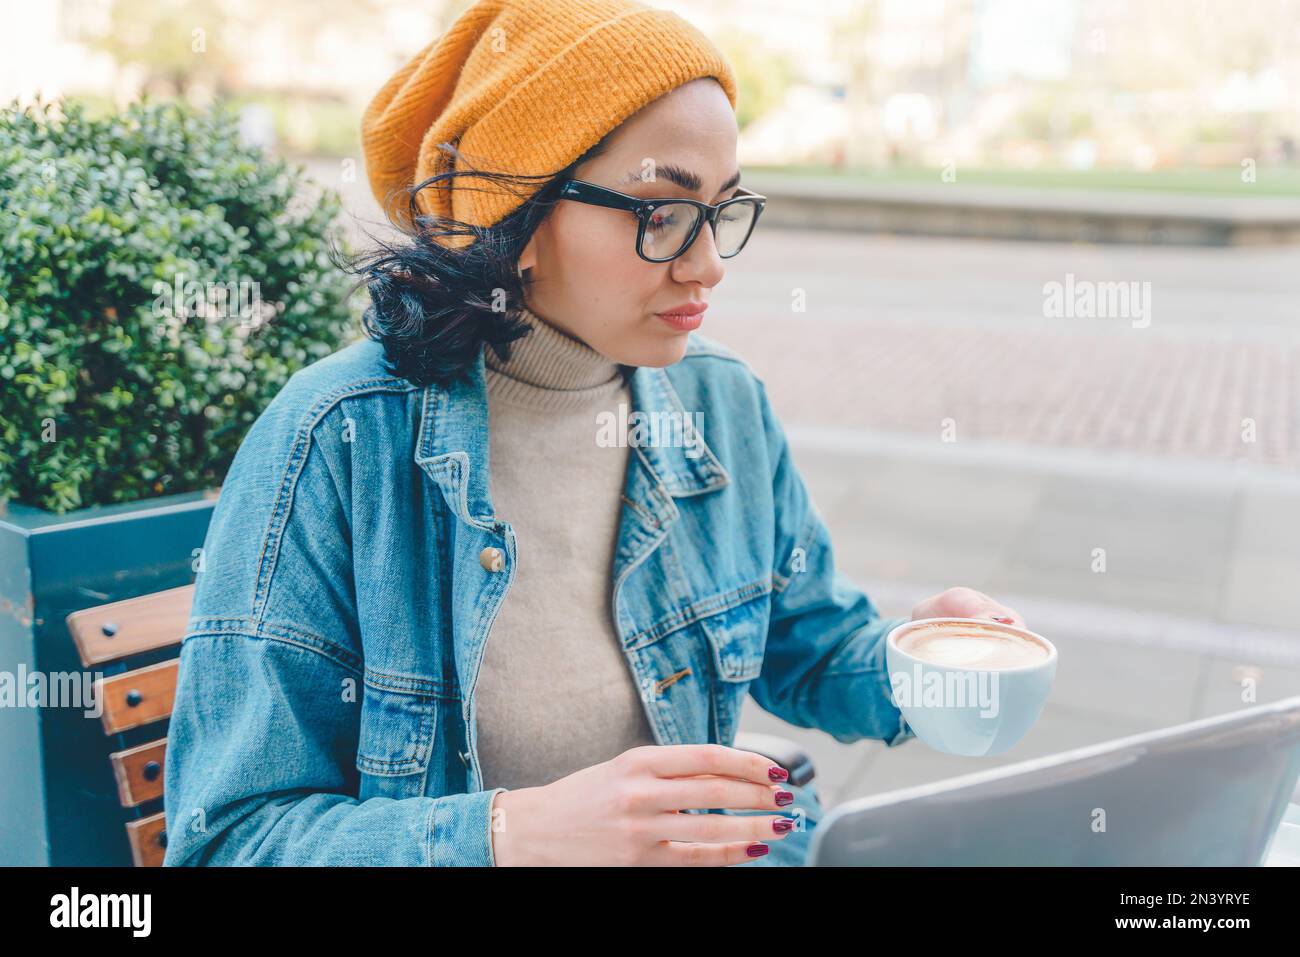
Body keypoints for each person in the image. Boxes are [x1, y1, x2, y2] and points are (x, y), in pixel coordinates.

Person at [162, 0, 1024, 867]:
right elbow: (230, 838)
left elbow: (809, 644)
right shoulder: (337, 441)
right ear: (520, 218)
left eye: (722, 208)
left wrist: (925, 667)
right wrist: (512, 836)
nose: (709, 263)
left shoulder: (719, 402)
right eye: (660, 212)